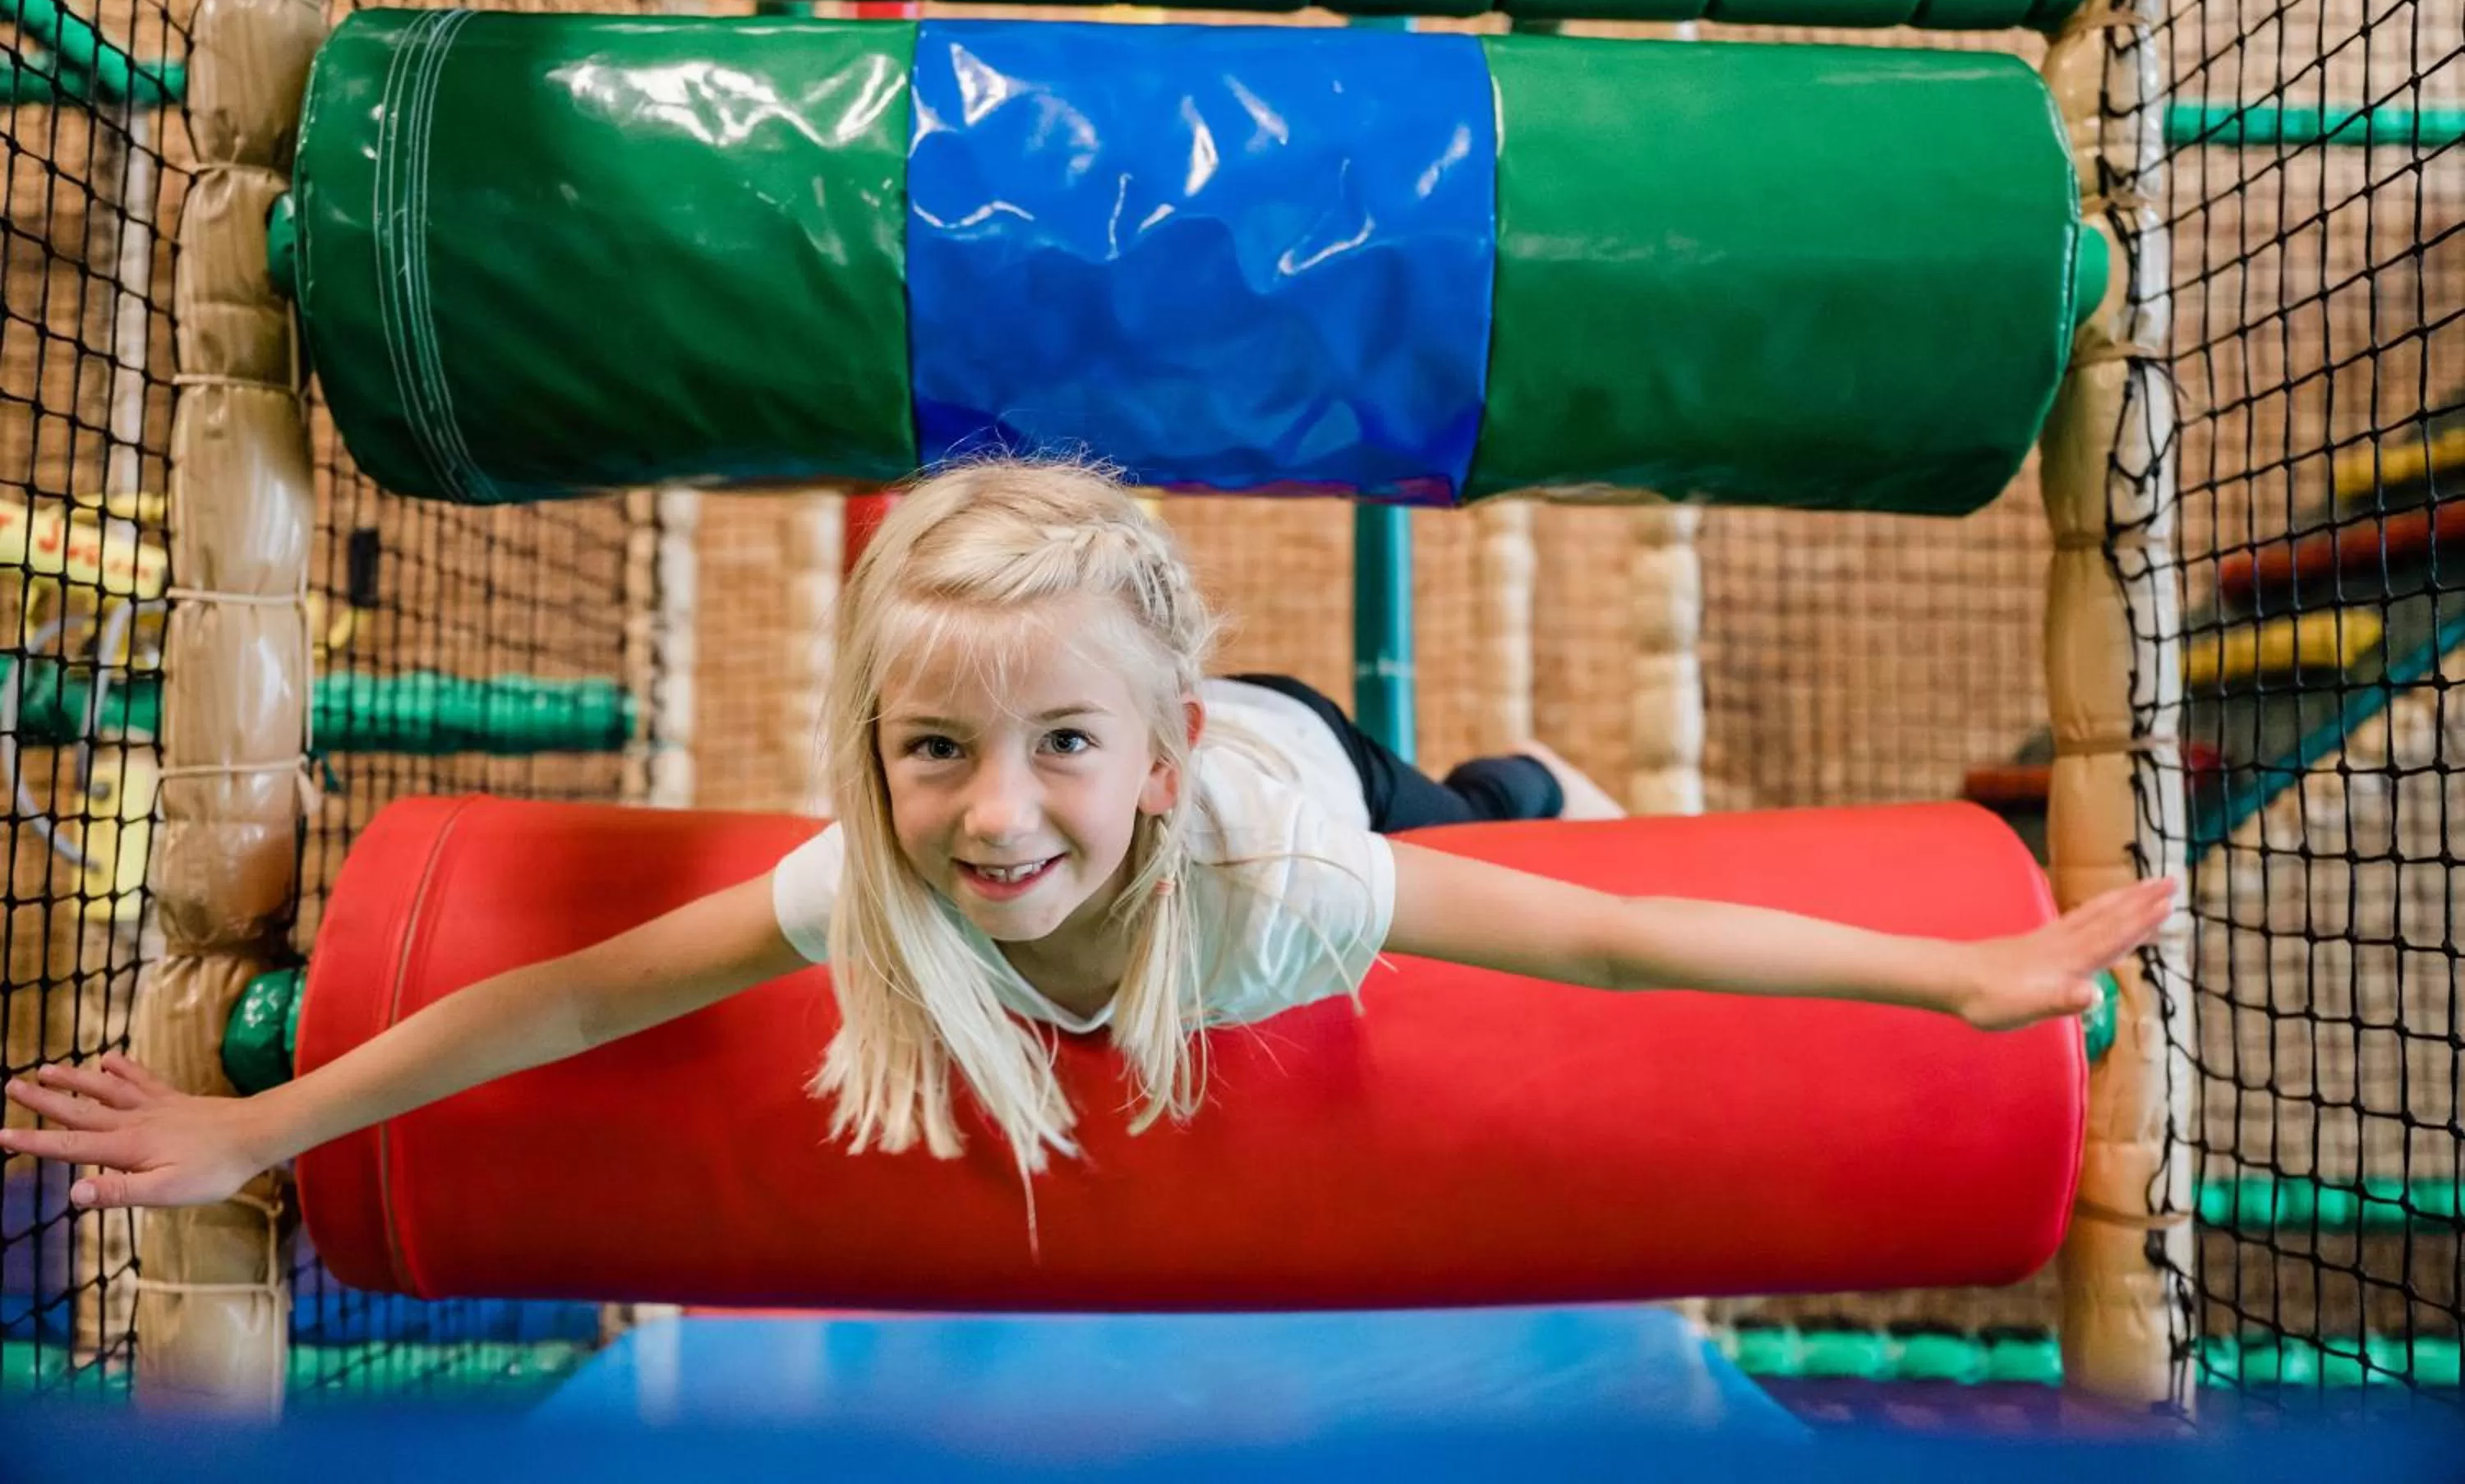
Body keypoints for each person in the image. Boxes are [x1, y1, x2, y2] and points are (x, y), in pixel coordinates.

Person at [1, 459, 2173, 1207]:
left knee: (1495, 811)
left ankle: (1507, 755)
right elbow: (566, 993)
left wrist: (1963, 970)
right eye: (933, 748)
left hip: (1309, 756)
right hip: (1214, 746)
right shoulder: (887, 863)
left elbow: (1607, 950)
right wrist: (253, 1127)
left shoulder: (1273, 870)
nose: (993, 810)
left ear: (1146, 750)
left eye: (1053, 742)